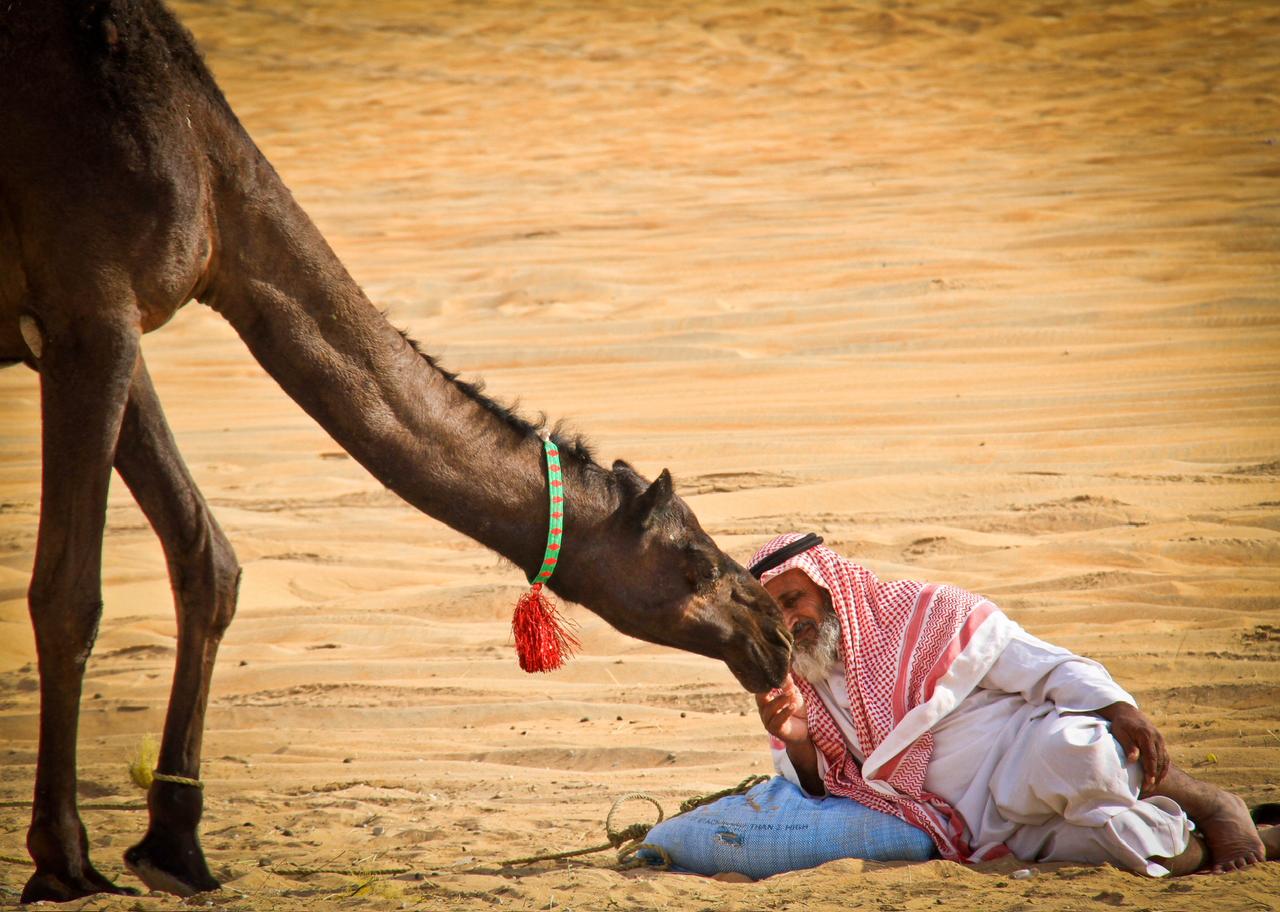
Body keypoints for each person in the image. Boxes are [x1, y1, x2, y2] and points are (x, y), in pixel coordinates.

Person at [749, 532, 1278, 876]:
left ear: (829, 587)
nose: (789, 623)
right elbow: (822, 786)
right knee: (1112, 846)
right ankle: (1255, 842)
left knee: (1080, 756)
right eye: (772, 615)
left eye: (794, 601)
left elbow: (1041, 663)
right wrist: (799, 744)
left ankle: (1212, 803)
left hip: (1023, 748)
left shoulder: (924, 612)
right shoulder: (794, 682)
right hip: (971, 817)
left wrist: (1120, 709)